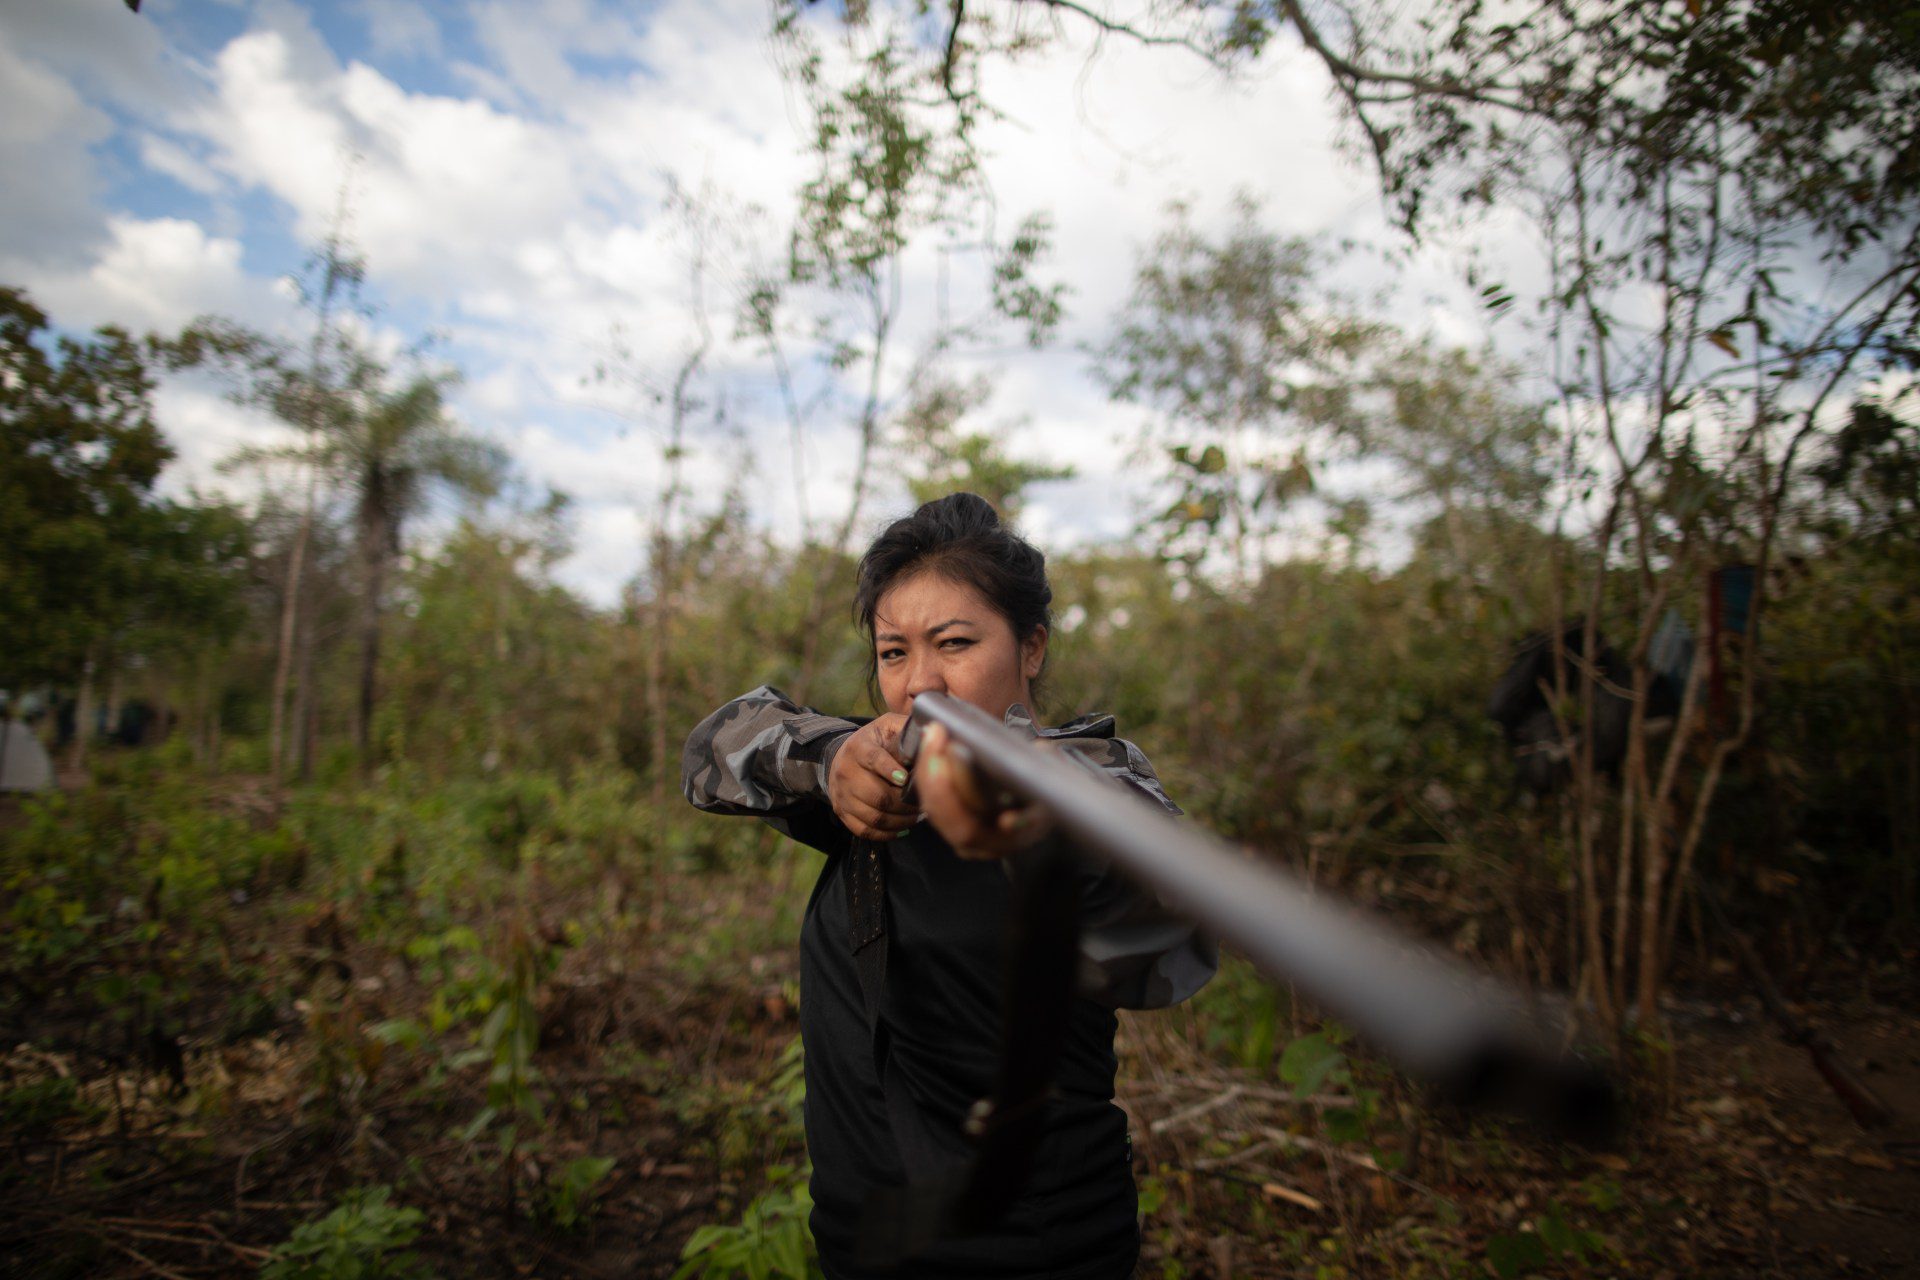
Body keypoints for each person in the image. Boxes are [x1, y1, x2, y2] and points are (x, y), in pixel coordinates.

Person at [682, 492, 1215, 1279]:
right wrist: (833, 763)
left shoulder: (1092, 779)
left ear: (1031, 648)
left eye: (955, 643)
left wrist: (1031, 817)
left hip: (1034, 1245)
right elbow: (715, 746)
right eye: (894, 652)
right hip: (862, 1228)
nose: (920, 684)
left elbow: (1173, 943)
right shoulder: (877, 767)